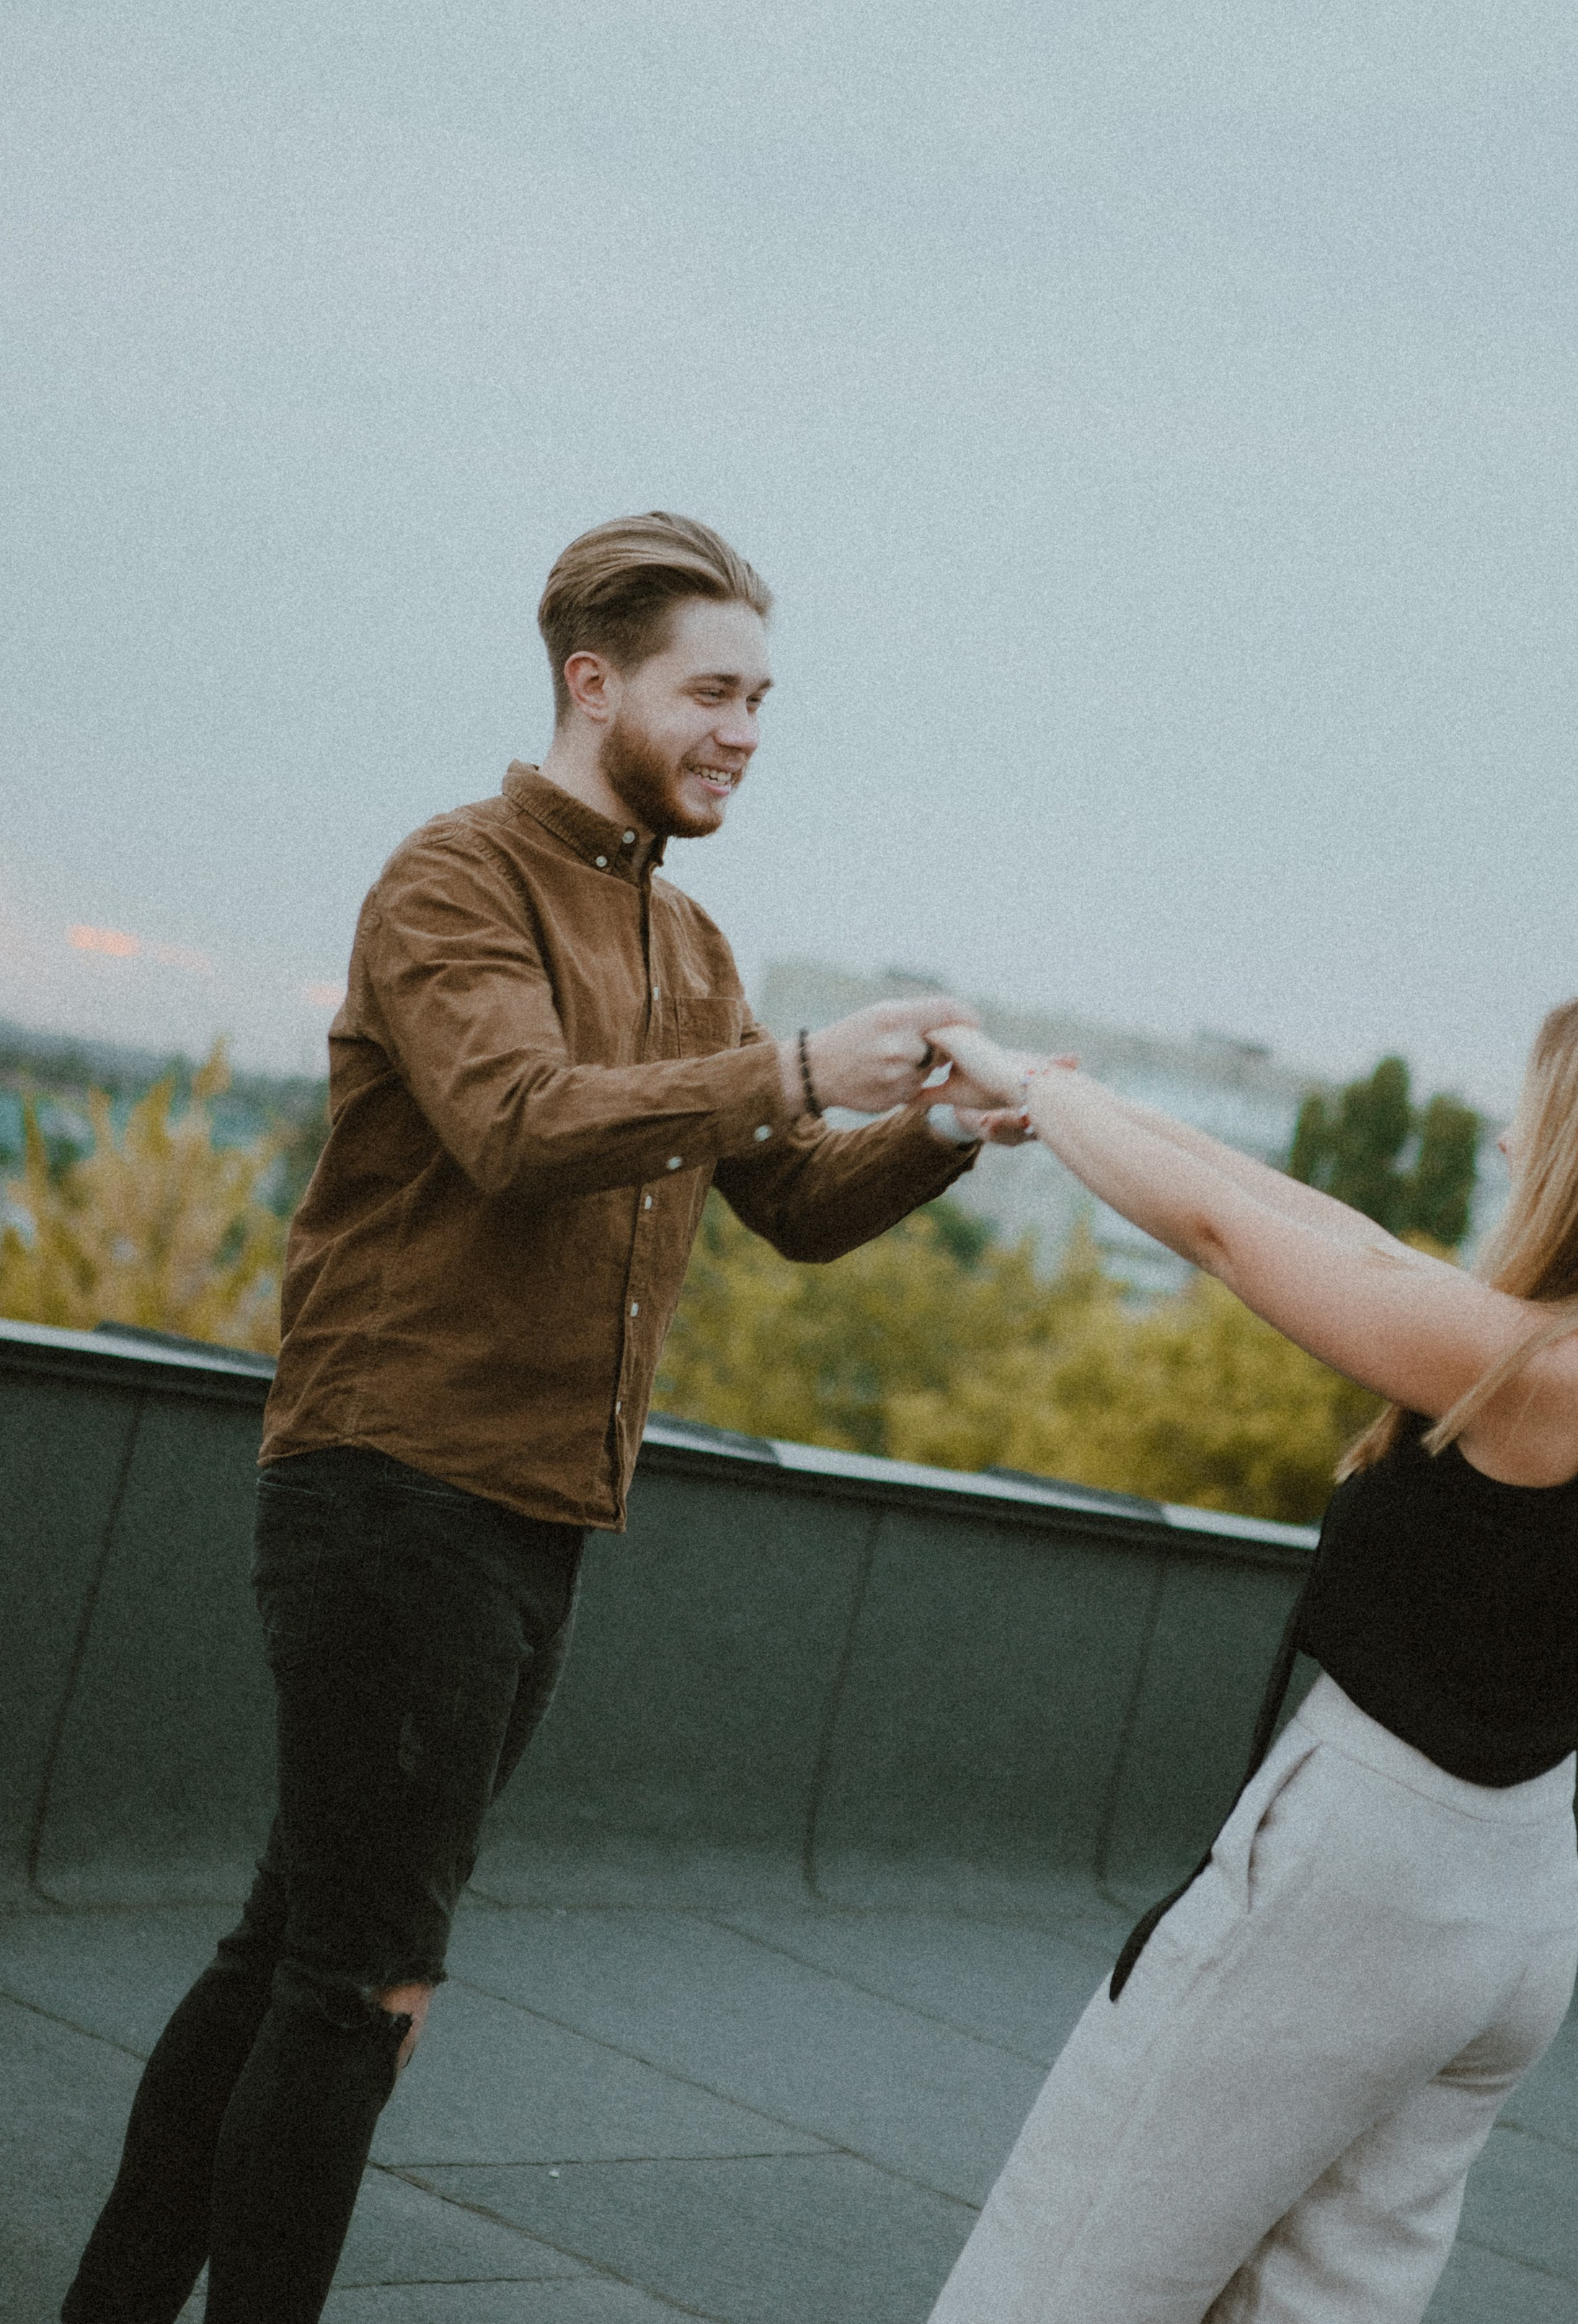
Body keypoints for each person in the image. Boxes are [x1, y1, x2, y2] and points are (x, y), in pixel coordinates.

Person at [63, 511, 1028, 2324]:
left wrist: (943, 1132)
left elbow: (795, 1208)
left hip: (523, 1520)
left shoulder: (691, 943)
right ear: (594, 683)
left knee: (305, 1945)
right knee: (367, 1985)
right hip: (392, 1489)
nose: (746, 729)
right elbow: (518, 1123)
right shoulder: (455, 879)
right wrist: (803, 1062)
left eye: (765, 699)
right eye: (713, 691)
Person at [922, 986, 1578, 2324]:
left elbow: (1222, 1239)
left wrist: (1019, 1075)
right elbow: (1327, 1228)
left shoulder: (1535, 1369)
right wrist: (1067, 1088)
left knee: (1062, 2281)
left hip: (1366, 1883)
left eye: (1528, 1115)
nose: (1503, 1147)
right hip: (1513, 1902)